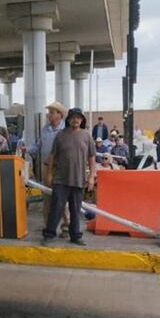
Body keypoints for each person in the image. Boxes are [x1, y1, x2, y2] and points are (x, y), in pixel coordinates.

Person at [43, 107, 96, 245]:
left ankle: (75, 236)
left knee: (75, 210)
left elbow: (91, 158)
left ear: (82, 120)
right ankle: (49, 235)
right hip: (60, 179)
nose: (76, 120)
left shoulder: (87, 136)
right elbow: (52, 156)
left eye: (78, 117)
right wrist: (49, 174)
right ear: (68, 120)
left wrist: (91, 177)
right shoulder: (60, 135)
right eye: (73, 117)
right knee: (56, 208)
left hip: (78, 179)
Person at [31, 102, 68, 234]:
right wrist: (29, 150)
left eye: (52, 112)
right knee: (47, 197)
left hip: (61, 168)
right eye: (49, 112)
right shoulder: (45, 129)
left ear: (60, 114)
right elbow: (39, 144)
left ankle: (66, 226)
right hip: (46, 167)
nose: (49, 115)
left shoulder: (66, 130)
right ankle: (48, 226)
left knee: (61, 197)